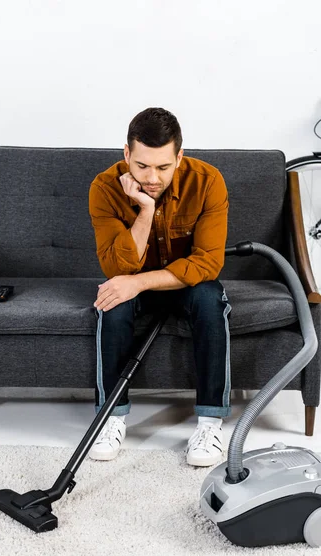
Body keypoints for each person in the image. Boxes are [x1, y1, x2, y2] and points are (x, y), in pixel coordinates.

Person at [88, 107, 231, 467]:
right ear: (126, 155)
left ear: (179, 156)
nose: (152, 177)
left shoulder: (208, 181)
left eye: (163, 167)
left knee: (210, 298)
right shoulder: (104, 187)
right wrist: (145, 210)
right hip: (134, 282)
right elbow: (116, 268)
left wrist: (139, 282)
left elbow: (207, 263)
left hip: (186, 284)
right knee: (112, 300)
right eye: (141, 166)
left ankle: (211, 423)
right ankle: (111, 416)